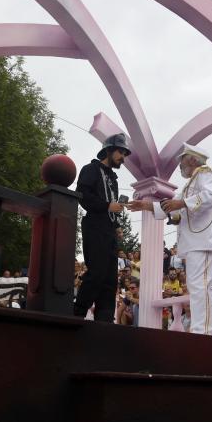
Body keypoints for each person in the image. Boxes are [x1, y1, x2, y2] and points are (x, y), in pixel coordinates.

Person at [129, 143, 212, 337]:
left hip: (203, 241)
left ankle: (202, 332)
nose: (179, 166)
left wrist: (182, 203)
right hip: (196, 242)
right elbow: (171, 207)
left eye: (182, 162)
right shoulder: (189, 185)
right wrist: (146, 205)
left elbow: (209, 197)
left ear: (193, 159)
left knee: (199, 287)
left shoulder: (205, 173)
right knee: (199, 289)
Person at [73, 133, 130, 322]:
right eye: (121, 152)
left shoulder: (113, 178)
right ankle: (76, 315)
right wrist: (107, 206)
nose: (123, 158)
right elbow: (83, 196)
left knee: (110, 279)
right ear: (109, 150)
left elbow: (112, 205)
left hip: (109, 230)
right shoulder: (90, 169)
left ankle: (104, 322)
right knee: (96, 272)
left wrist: (117, 224)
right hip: (94, 226)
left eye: (124, 154)